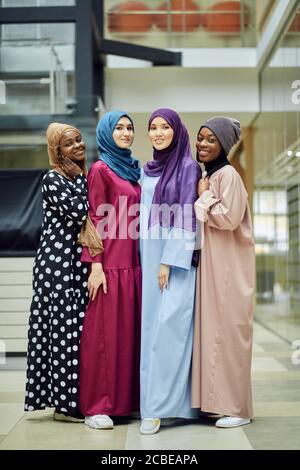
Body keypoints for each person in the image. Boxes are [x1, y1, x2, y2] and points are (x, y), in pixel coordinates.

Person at [139, 108, 201, 435]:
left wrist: (168, 259)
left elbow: (187, 214)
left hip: (173, 262)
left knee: (170, 329)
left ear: (177, 131)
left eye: (165, 127)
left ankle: (159, 408)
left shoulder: (189, 167)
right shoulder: (145, 171)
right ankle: (150, 404)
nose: (159, 132)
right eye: (153, 127)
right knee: (151, 330)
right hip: (148, 257)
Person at [191, 116, 255, 428]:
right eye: (200, 137)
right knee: (215, 333)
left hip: (229, 271)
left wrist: (201, 196)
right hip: (216, 268)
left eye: (210, 139)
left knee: (229, 336)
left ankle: (238, 409)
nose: (202, 144)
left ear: (224, 145)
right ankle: (218, 403)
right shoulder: (211, 175)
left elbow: (227, 219)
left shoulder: (227, 175)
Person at [79, 110, 141, 430]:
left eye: (129, 128)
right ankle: (97, 407)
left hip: (132, 266)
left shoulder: (131, 170)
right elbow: (94, 219)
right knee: (103, 335)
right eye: (119, 128)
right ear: (107, 132)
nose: (126, 133)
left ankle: (124, 402)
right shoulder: (101, 170)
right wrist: (96, 266)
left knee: (126, 337)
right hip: (109, 266)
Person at [25, 122, 89, 422]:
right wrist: (79, 180)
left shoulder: (78, 176)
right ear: (56, 150)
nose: (77, 146)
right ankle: (64, 406)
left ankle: (72, 398)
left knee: (74, 334)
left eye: (78, 140)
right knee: (63, 335)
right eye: (68, 144)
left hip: (74, 264)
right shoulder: (53, 178)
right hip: (57, 265)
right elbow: (80, 212)